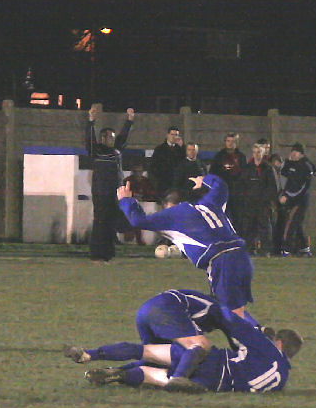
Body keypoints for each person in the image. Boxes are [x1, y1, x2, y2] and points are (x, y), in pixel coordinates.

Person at [64, 290, 301, 394]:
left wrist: (257, 328)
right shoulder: (282, 380)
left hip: (213, 363)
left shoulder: (267, 347)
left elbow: (236, 324)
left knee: (146, 351)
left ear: (278, 342)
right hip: (213, 385)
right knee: (149, 374)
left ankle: (90, 355)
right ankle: (118, 374)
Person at [117, 174, 254, 320]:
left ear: (168, 206)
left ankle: (252, 337)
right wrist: (205, 180)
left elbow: (138, 220)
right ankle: (257, 333)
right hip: (242, 257)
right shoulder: (209, 203)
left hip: (222, 261)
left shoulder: (173, 214)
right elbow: (221, 186)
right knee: (233, 308)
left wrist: (126, 201)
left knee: (229, 315)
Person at [85, 105, 134, 262]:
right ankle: (97, 252)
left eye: (113, 137)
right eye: (110, 137)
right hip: (101, 192)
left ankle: (108, 252)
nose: (113, 139)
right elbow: (89, 140)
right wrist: (91, 122)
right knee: (100, 221)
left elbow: (123, 137)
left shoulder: (117, 150)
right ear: (103, 139)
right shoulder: (97, 151)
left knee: (111, 221)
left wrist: (129, 121)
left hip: (115, 192)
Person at [239, 142, 278, 255]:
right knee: (249, 227)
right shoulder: (248, 168)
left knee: (264, 227)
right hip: (250, 203)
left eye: (259, 152)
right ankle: (250, 249)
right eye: (255, 152)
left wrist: (268, 200)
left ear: (263, 153)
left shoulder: (268, 168)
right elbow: (242, 184)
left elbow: (273, 187)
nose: (257, 155)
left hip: (263, 204)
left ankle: (265, 250)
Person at [278, 142, 316, 257]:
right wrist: (288, 161)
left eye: (296, 152)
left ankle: (286, 249)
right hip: (291, 199)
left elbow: (302, 187)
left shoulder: (305, 166)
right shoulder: (290, 163)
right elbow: (282, 172)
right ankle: (305, 248)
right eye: (292, 151)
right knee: (297, 224)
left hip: (300, 201)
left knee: (291, 223)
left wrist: (287, 196)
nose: (293, 154)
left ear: (301, 154)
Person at [209, 132, 246, 226]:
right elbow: (212, 173)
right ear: (225, 142)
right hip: (222, 192)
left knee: (238, 218)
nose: (230, 143)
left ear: (236, 143)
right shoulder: (219, 156)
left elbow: (245, 174)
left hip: (236, 193)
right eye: (228, 141)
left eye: (233, 141)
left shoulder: (241, 157)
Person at [120, 164, 156, 245]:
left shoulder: (146, 181)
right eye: (136, 172)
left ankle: (139, 238)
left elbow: (152, 193)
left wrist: (143, 197)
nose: (138, 174)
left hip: (144, 204)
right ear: (133, 172)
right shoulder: (127, 181)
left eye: (140, 171)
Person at [149, 125, 185, 199]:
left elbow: (186, 163)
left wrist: (183, 147)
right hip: (162, 185)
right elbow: (153, 167)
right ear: (167, 135)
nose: (174, 137)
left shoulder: (181, 150)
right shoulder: (159, 149)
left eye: (176, 135)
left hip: (176, 186)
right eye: (172, 134)